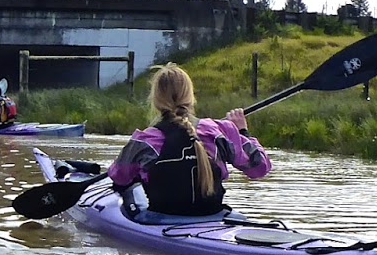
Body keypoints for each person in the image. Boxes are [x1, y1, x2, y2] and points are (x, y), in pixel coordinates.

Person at [105, 62, 270, 223]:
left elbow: (119, 178)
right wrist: (242, 132)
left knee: (128, 190)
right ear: (191, 98)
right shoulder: (219, 132)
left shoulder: (145, 141)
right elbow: (259, 168)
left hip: (161, 218)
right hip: (213, 215)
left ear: (156, 100)